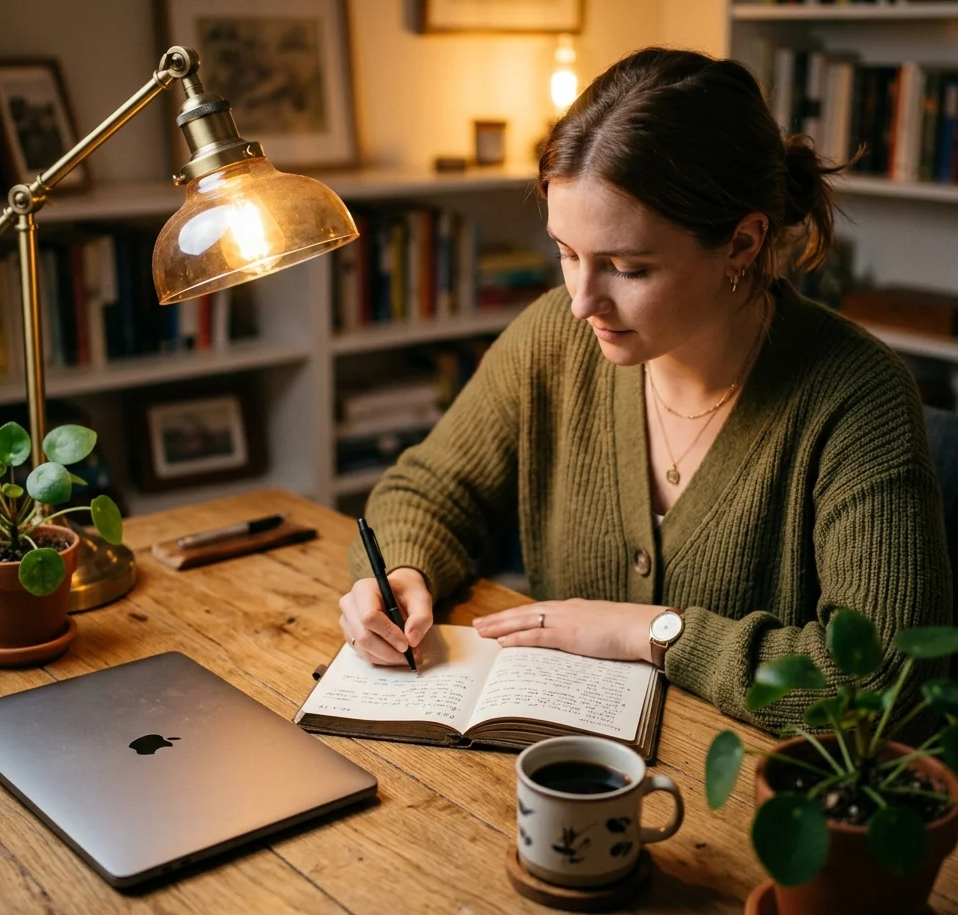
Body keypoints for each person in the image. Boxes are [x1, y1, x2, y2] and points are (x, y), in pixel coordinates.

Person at [337, 47, 952, 734]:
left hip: (754, 803)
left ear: (743, 244)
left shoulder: (856, 397)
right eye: (567, 254)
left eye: (627, 268)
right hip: (555, 767)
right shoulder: (553, 339)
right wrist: (400, 571)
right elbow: (427, 488)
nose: (581, 301)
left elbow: (881, 680)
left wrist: (652, 634)